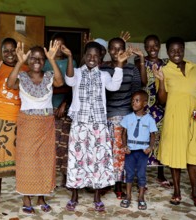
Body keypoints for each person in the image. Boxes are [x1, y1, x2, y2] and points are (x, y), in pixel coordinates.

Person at [65, 41, 131, 212]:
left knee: (98, 160)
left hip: (98, 124)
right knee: (76, 159)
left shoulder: (103, 75)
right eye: (89, 55)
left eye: (95, 56)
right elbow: (70, 80)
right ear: (84, 56)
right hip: (80, 123)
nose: (92, 58)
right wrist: (71, 57)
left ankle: (96, 196)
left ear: (101, 58)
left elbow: (114, 86)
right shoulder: (78, 73)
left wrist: (119, 65)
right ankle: (74, 195)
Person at [7, 41, 64, 215]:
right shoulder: (22, 76)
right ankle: (26, 198)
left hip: (46, 123)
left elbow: (60, 82)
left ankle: (41, 197)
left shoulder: (48, 75)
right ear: (27, 59)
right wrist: (19, 61)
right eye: (32, 58)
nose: (37, 61)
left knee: (45, 161)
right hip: (27, 123)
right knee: (26, 161)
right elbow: (10, 84)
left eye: (40, 58)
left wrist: (52, 60)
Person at [153, 37, 196, 207]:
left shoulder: (194, 68)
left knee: (194, 157)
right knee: (176, 156)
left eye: (179, 50)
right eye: (172, 51)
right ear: (167, 52)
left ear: (184, 49)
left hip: (194, 119)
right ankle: (176, 191)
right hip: (175, 118)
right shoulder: (164, 70)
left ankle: (195, 193)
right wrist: (161, 80)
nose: (176, 53)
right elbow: (161, 100)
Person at [0, 37, 28, 202]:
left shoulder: (25, 68)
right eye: (5, 51)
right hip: (0, 116)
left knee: (20, 155)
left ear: (18, 50)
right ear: (1, 52)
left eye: (12, 50)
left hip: (20, 117)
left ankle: (23, 185)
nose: (9, 54)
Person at [100, 37, 142, 199]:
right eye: (113, 48)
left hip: (124, 116)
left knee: (119, 153)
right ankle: (105, 183)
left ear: (125, 50)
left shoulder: (132, 69)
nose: (116, 52)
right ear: (107, 51)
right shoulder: (102, 69)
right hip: (104, 116)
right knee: (105, 152)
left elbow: (136, 91)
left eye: (120, 49)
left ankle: (118, 185)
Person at [135, 34, 171, 188]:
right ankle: (141, 173)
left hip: (161, 108)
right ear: (145, 47)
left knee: (160, 139)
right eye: (148, 46)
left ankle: (160, 174)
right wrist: (143, 60)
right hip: (145, 107)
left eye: (155, 45)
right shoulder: (139, 62)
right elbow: (143, 82)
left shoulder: (167, 64)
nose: (152, 49)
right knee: (142, 139)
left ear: (160, 46)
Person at [43, 33, 76, 187]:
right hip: (49, 108)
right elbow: (45, 87)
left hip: (66, 107)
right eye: (56, 45)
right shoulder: (45, 64)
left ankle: (64, 174)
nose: (59, 49)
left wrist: (64, 103)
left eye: (62, 45)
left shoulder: (72, 61)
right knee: (51, 144)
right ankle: (51, 176)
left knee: (66, 142)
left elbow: (73, 86)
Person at [120, 90, 157, 210]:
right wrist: (125, 146)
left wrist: (150, 147)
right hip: (130, 151)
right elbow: (123, 133)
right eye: (132, 101)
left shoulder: (150, 119)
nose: (134, 103)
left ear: (145, 103)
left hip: (142, 152)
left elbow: (153, 135)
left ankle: (141, 197)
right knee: (129, 173)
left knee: (141, 174)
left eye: (137, 100)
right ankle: (128, 196)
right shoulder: (127, 118)